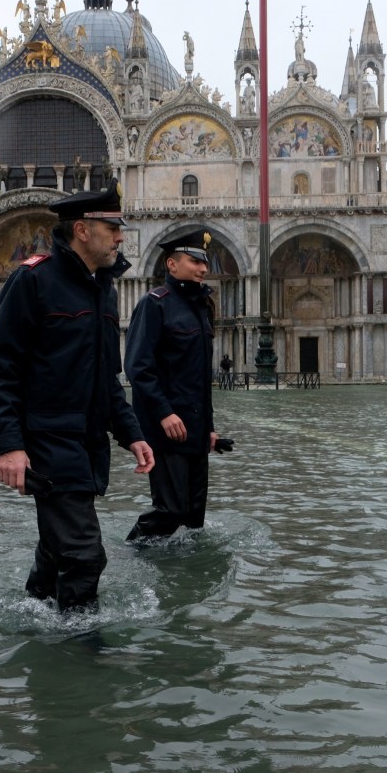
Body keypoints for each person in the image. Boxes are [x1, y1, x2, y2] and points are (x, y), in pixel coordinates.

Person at [0, 178, 154, 612]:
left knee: (57, 551)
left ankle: (33, 613)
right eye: (113, 227)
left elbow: (106, 377)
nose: (120, 236)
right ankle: (83, 657)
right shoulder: (32, 280)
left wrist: (131, 434)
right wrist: (9, 446)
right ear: (82, 229)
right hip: (48, 442)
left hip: (88, 443)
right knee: (84, 556)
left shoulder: (103, 289)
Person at [124, 230, 221, 541]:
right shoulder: (155, 305)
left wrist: (209, 427)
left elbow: (199, 380)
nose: (203, 269)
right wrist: (164, 413)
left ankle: (187, 577)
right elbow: (138, 368)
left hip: (195, 429)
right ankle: (133, 552)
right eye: (194, 261)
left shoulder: (201, 307)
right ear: (172, 264)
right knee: (171, 510)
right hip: (165, 430)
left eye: (204, 263)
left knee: (194, 517)